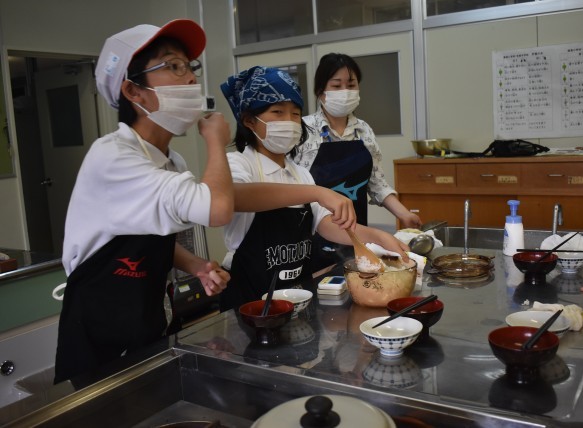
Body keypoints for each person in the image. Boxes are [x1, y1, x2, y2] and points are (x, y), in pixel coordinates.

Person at [54, 19, 234, 385]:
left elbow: (148, 238)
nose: (191, 79)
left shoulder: (170, 161)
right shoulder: (113, 157)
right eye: (174, 66)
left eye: (190, 67)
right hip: (98, 333)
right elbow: (218, 209)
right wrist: (216, 142)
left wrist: (196, 266)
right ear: (134, 91)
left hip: (147, 319)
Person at [219, 66, 409, 311]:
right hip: (249, 301)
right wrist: (319, 192)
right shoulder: (237, 164)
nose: (289, 121)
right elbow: (236, 197)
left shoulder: (300, 174)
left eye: (295, 114)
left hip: (296, 297)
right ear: (249, 120)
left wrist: (377, 236)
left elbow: (327, 224)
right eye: (278, 112)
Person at [292, 53, 421, 269]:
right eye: (337, 85)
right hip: (310, 237)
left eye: (351, 85)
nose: (345, 91)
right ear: (321, 91)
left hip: (357, 235)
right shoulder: (303, 131)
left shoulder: (363, 130)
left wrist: (404, 214)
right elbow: (294, 189)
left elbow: (377, 184)